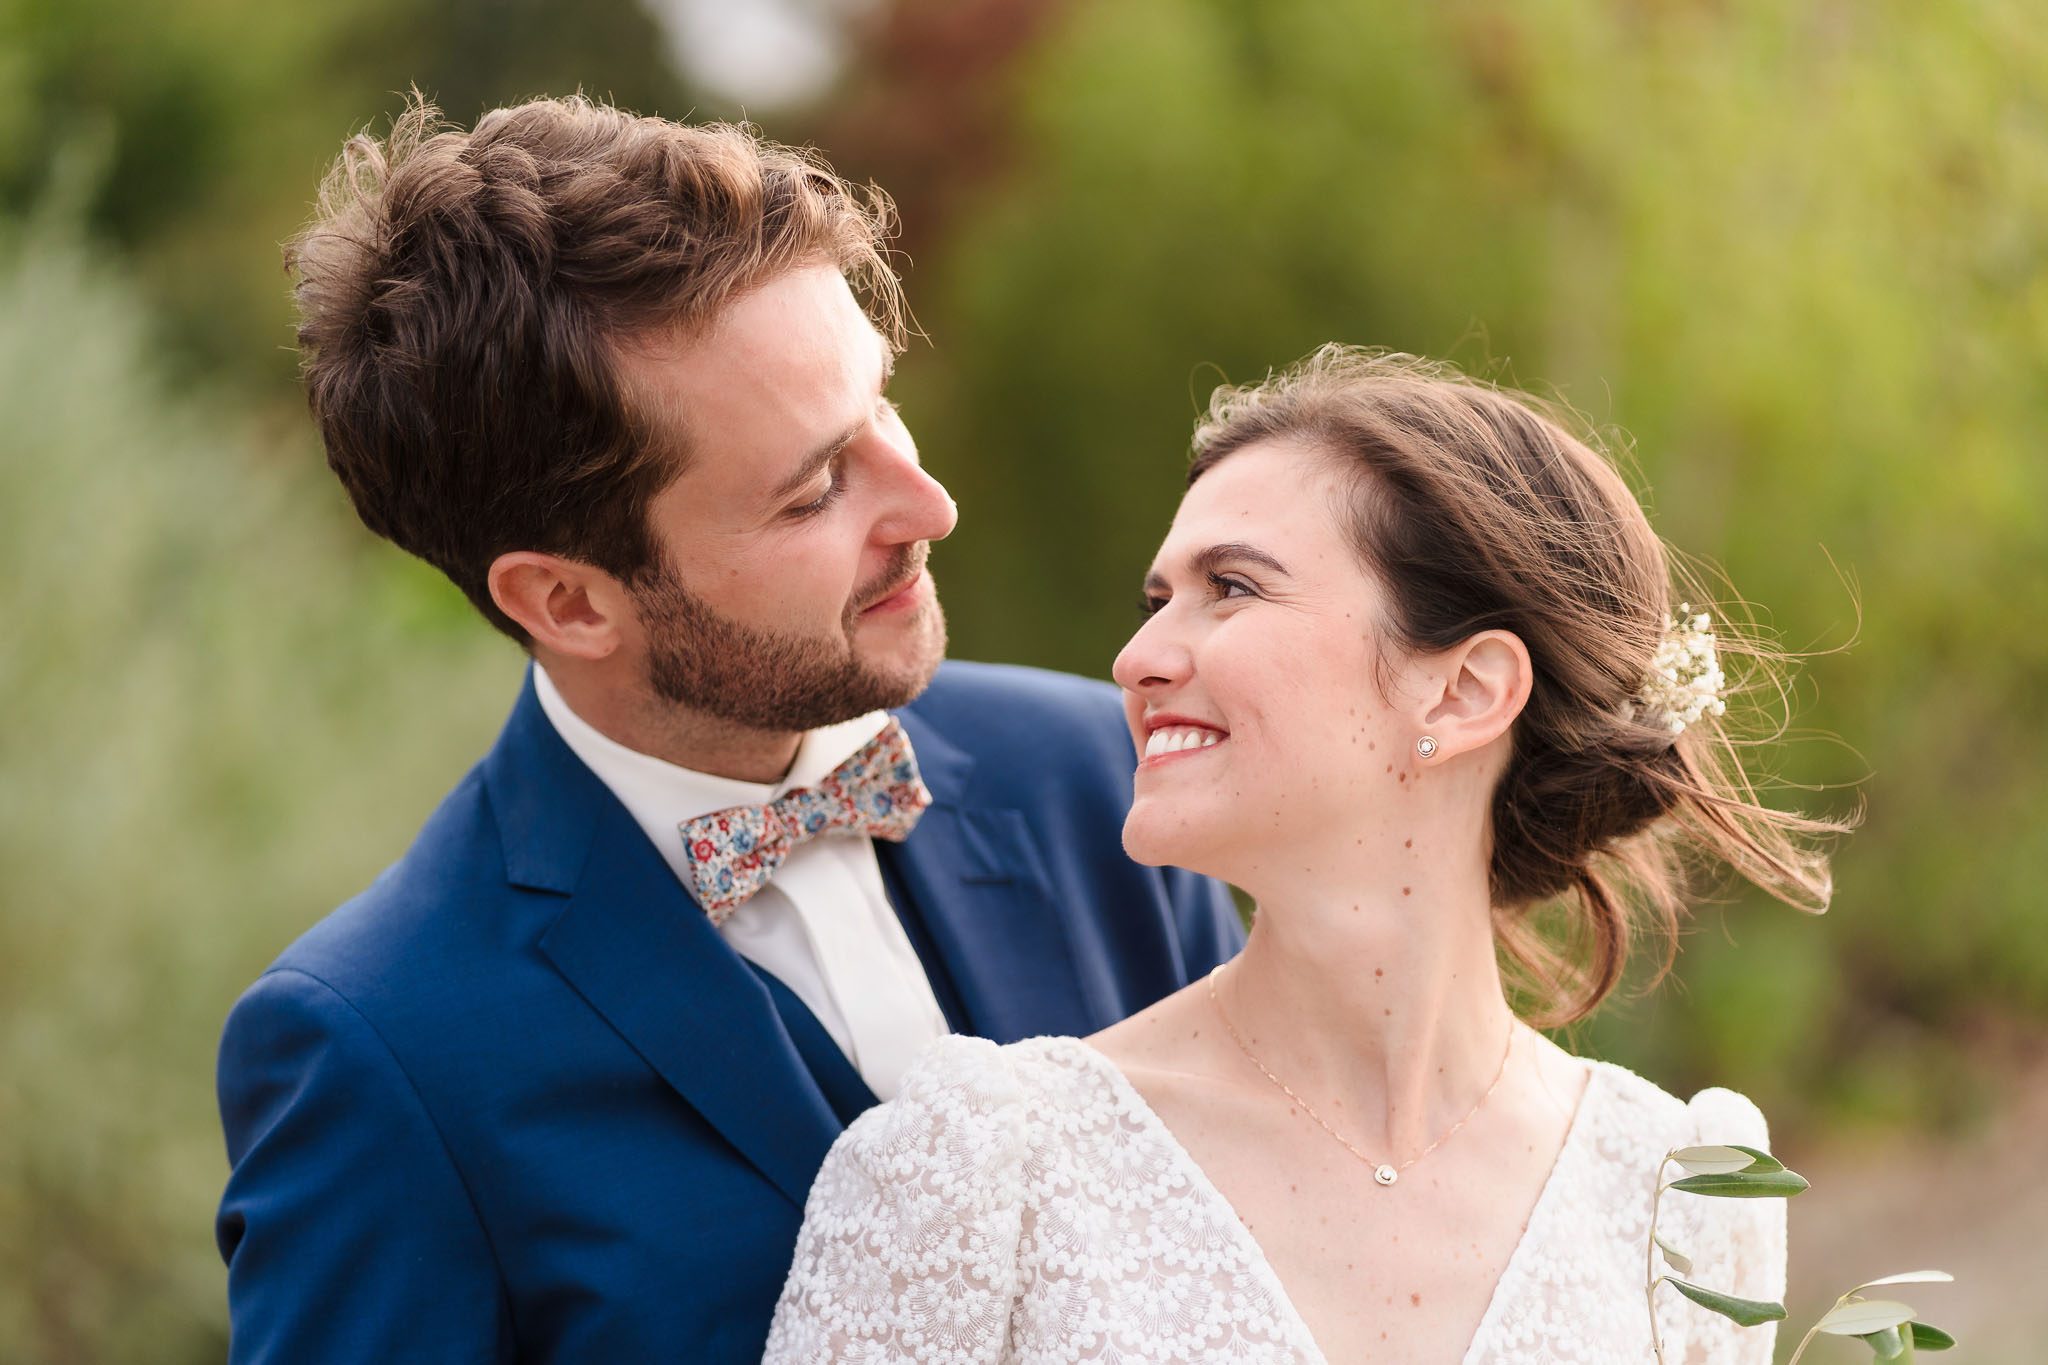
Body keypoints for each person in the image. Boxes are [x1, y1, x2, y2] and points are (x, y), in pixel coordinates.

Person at [211, 95, 1243, 1364]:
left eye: (884, 405)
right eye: (815, 489)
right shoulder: (381, 1049)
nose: (930, 503)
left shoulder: (1105, 780)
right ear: (569, 601)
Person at [766, 348, 1849, 1364]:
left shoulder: (1680, 1194)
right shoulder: (980, 1168)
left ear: (1464, 689)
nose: (1135, 659)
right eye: (1155, 602)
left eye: (1229, 588)